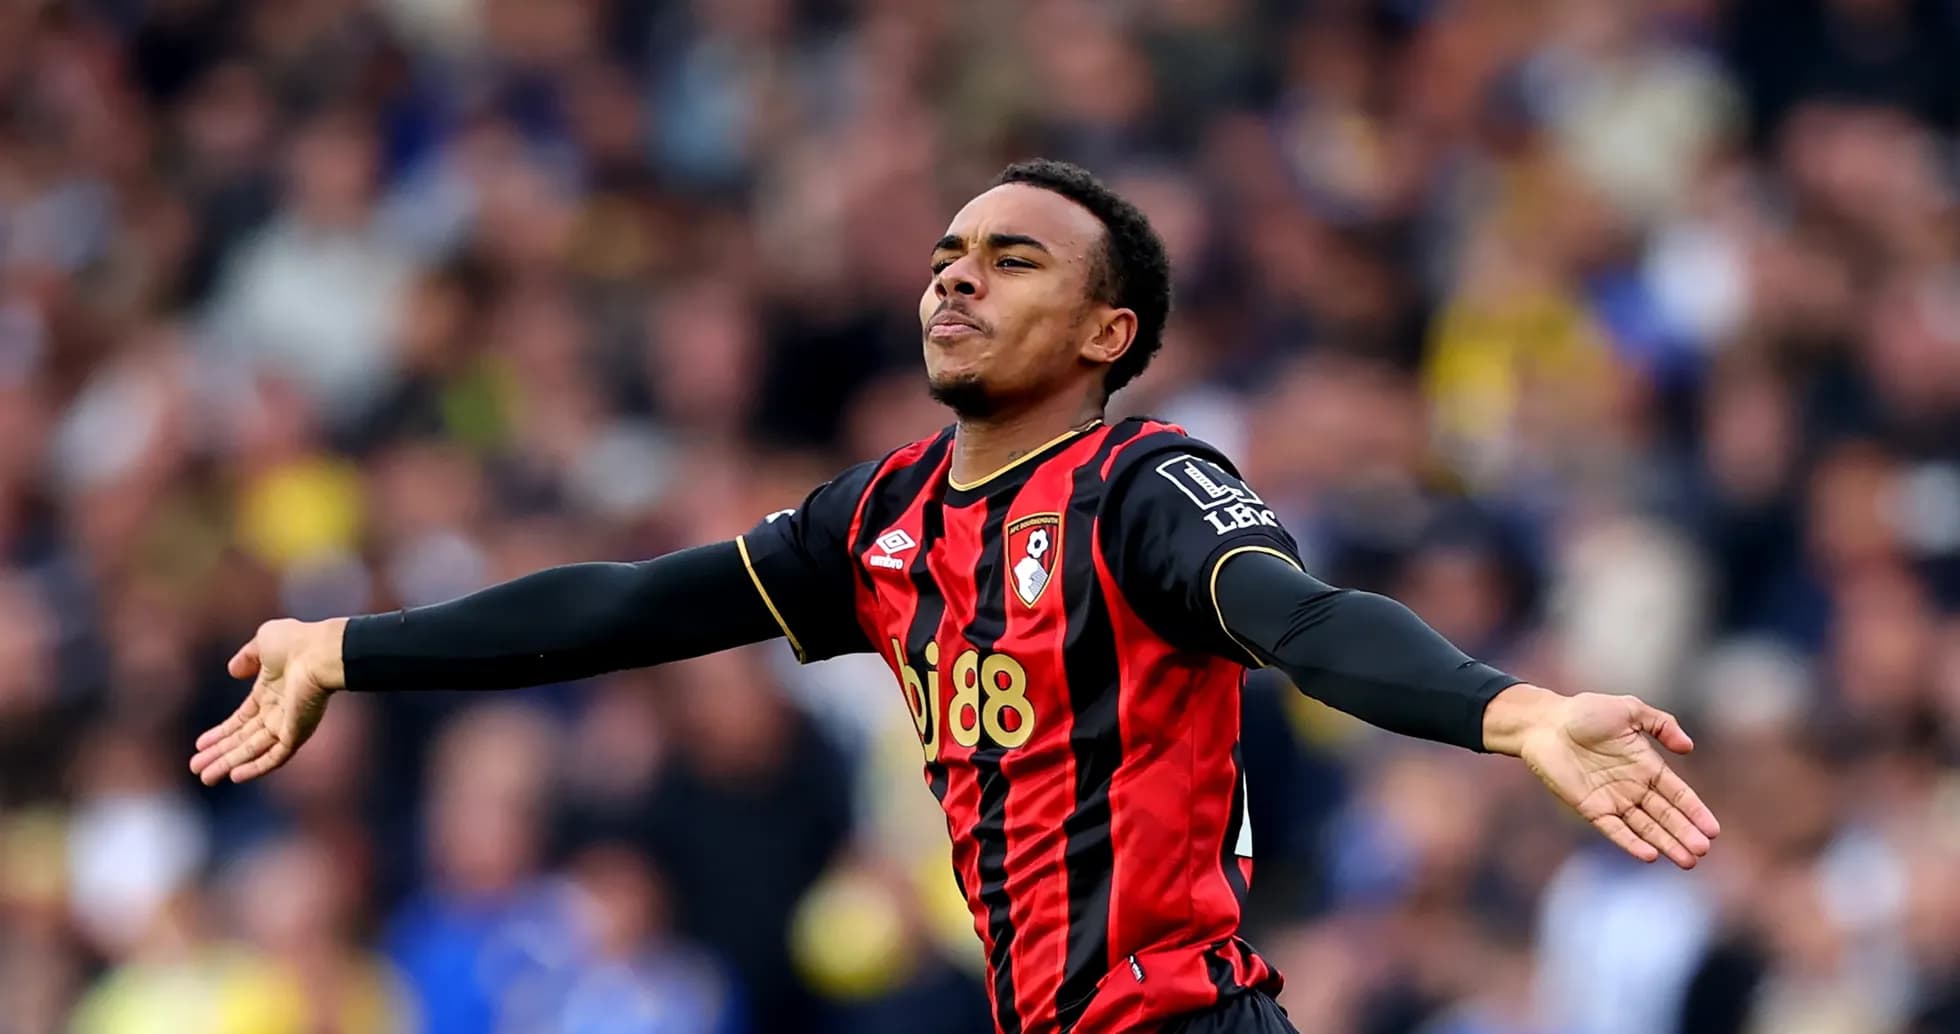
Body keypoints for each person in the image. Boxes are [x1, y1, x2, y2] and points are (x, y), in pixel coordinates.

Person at [189, 159, 1721, 1034]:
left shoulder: (1145, 486)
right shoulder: (888, 515)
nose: (957, 278)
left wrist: (1514, 713)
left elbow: (1303, 620)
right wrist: (345, 645)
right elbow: (626, 607)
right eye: (945, 255)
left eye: (1012, 259)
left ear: (1111, 329)